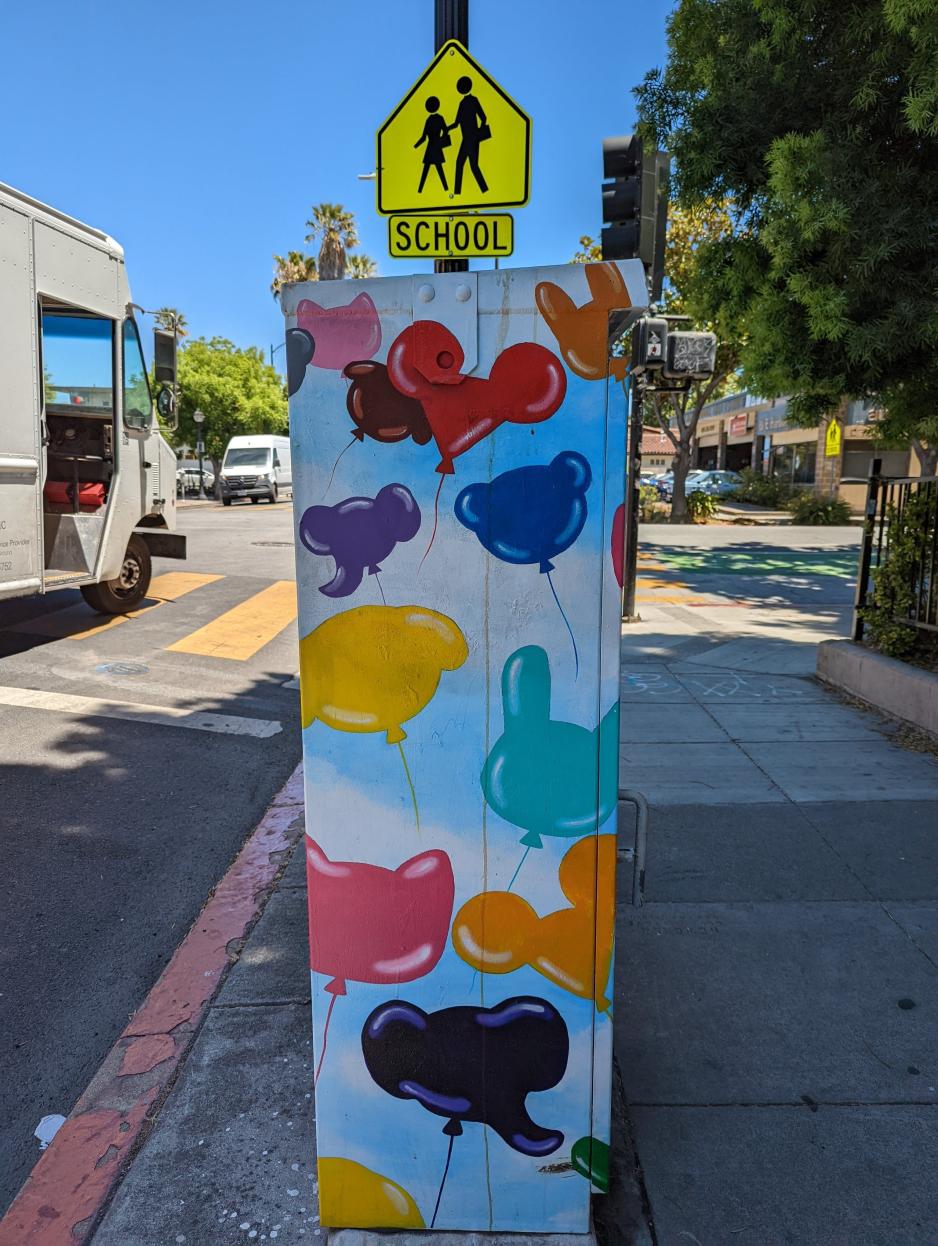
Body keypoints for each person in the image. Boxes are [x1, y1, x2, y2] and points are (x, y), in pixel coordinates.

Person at [448, 76, 489, 194]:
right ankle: (458, 193)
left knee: (472, 166)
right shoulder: (462, 103)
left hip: (472, 138)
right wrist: (447, 128)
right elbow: (457, 123)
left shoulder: (473, 100)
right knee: (462, 163)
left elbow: (483, 117)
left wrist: (479, 132)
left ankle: (484, 190)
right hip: (466, 139)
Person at [414, 96, 449, 192]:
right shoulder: (439, 118)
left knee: (428, 170)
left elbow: (423, 137)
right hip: (436, 147)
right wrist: (440, 140)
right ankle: (445, 189)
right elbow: (446, 131)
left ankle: (420, 190)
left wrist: (415, 146)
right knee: (438, 169)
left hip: (431, 147)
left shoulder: (429, 120)